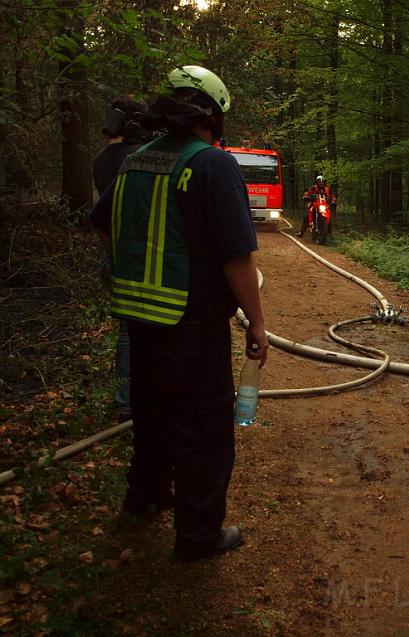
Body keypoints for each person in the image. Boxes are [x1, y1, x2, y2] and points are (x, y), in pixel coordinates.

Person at [90, 65, 269, 561]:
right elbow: (237, 258)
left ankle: (144, 498)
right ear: (212, 115)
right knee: (204, 429)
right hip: (191, 321)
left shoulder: (135, 161)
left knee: (151, 413)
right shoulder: (212, 165)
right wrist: (256, 322)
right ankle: (198, 536)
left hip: (138, 316)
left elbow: (102, 222)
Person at [92, 96, 149, 422]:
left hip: (112, 254)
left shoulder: (101, 158)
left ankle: (127, 399)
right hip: (136, 258)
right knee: (135, 334)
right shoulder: (135, 157)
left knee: (127, 332)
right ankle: (129, 402)